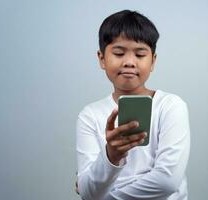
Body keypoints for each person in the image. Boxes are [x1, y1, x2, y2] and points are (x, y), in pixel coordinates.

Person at [76, 10, 190, 200]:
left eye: (140, 54)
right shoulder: (89, 115)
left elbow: (167, 181)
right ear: (102, 59)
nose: (129, 62)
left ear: (153, 61)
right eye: (119, 53)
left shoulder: (171, 106)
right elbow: (89, 194)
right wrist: (110, 156)